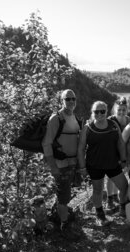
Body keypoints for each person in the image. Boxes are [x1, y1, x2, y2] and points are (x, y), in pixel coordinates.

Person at [77, 101, 129, 223]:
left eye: (102, 111)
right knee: (98, 190)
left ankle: (123, 208)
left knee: (124, 186)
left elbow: (120, 143)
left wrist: (123, 160)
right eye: (96, 111)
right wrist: (83, 168)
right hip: (95, 165)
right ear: (92, 113)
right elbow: (81, 149)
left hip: (113, 164)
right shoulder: (87, 128)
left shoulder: (113, 124)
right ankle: (100, 215)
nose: (99, 114)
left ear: (107, 112)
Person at [42, 89, 81, 239]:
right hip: (60, 164)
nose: (71, 101)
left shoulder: (74, 118)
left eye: (73, 98)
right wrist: (53, 167)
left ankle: (57, 216)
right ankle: (65, 226)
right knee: (64, 196)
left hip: (72, 163)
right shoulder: (56, 118)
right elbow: (47, 143)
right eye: (67, 99)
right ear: (61, 101)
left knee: (64, 193)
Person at [105, 97, 130, 212]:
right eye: (119, 109)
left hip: (124, 153)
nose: (121, 112)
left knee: (120, 175)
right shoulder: (110, 120)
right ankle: (110, 199)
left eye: (123, 110)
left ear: (127, 110)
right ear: (115, 110)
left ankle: (117, 196)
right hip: (112, 152)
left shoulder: (129, 120)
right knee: (111, 177)